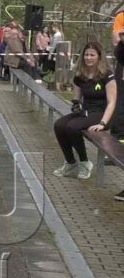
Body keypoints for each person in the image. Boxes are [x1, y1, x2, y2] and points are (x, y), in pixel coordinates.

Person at [53, 42, 116, 180]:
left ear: (99, 56)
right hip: (86, 111)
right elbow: (76, 98)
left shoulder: (107, 75)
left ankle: (84, 162)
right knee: (59, 125)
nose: (88, 58)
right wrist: (76, 106)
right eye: (86, 55)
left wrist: (103, 123)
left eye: (92, 55)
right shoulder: (80, 75)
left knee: (72, 127)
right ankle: (70, 163)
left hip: (102, 114)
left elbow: (112, 102)